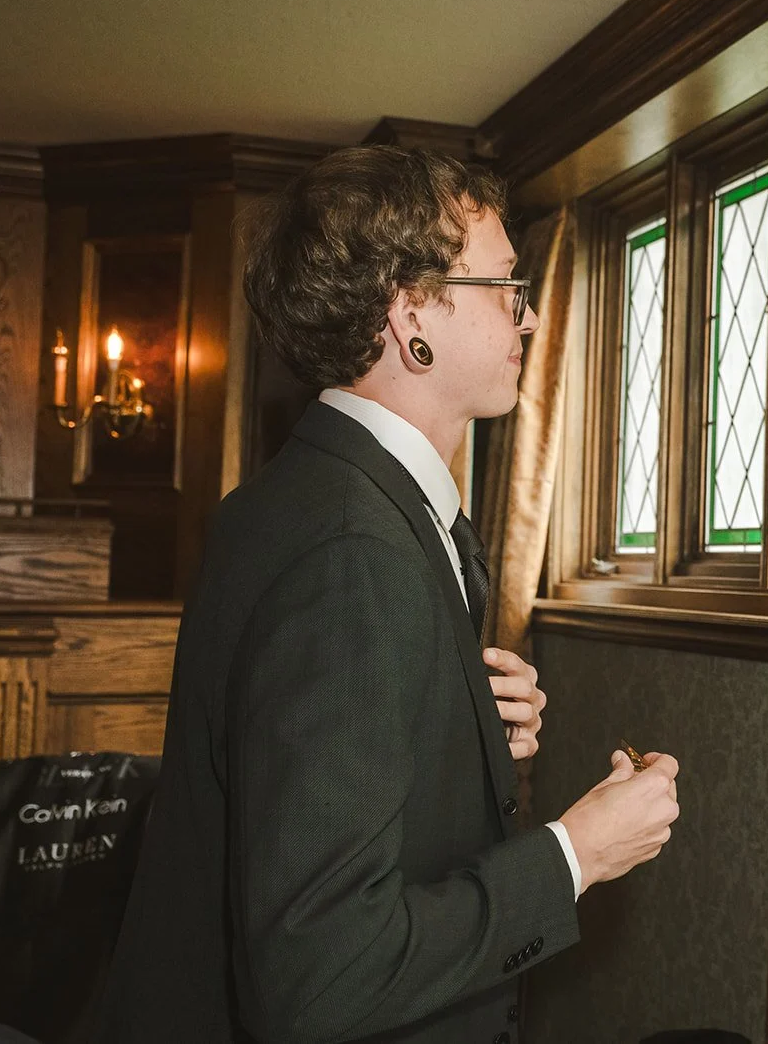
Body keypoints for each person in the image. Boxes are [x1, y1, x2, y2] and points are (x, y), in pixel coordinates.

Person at [97, 147, 680, 1043]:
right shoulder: (351, 550)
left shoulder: (308, 499)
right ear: (414, 314)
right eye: (503, 286)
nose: (529, 313)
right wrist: (577, 853)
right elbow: (322, 974)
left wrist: (451, 715)